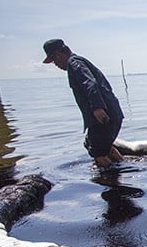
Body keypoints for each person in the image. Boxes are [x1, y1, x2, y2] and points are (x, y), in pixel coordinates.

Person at [42, 38, 124, 167]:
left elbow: (90, 83)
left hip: (103, 115)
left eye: (54, 61)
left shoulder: (74, 64)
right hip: (113, 113)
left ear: (58, 54)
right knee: (96, 145)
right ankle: (122, 167)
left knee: (98, 154)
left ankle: (112, 182)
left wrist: (98, 108)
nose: (56, 65)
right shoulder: (79, 62)